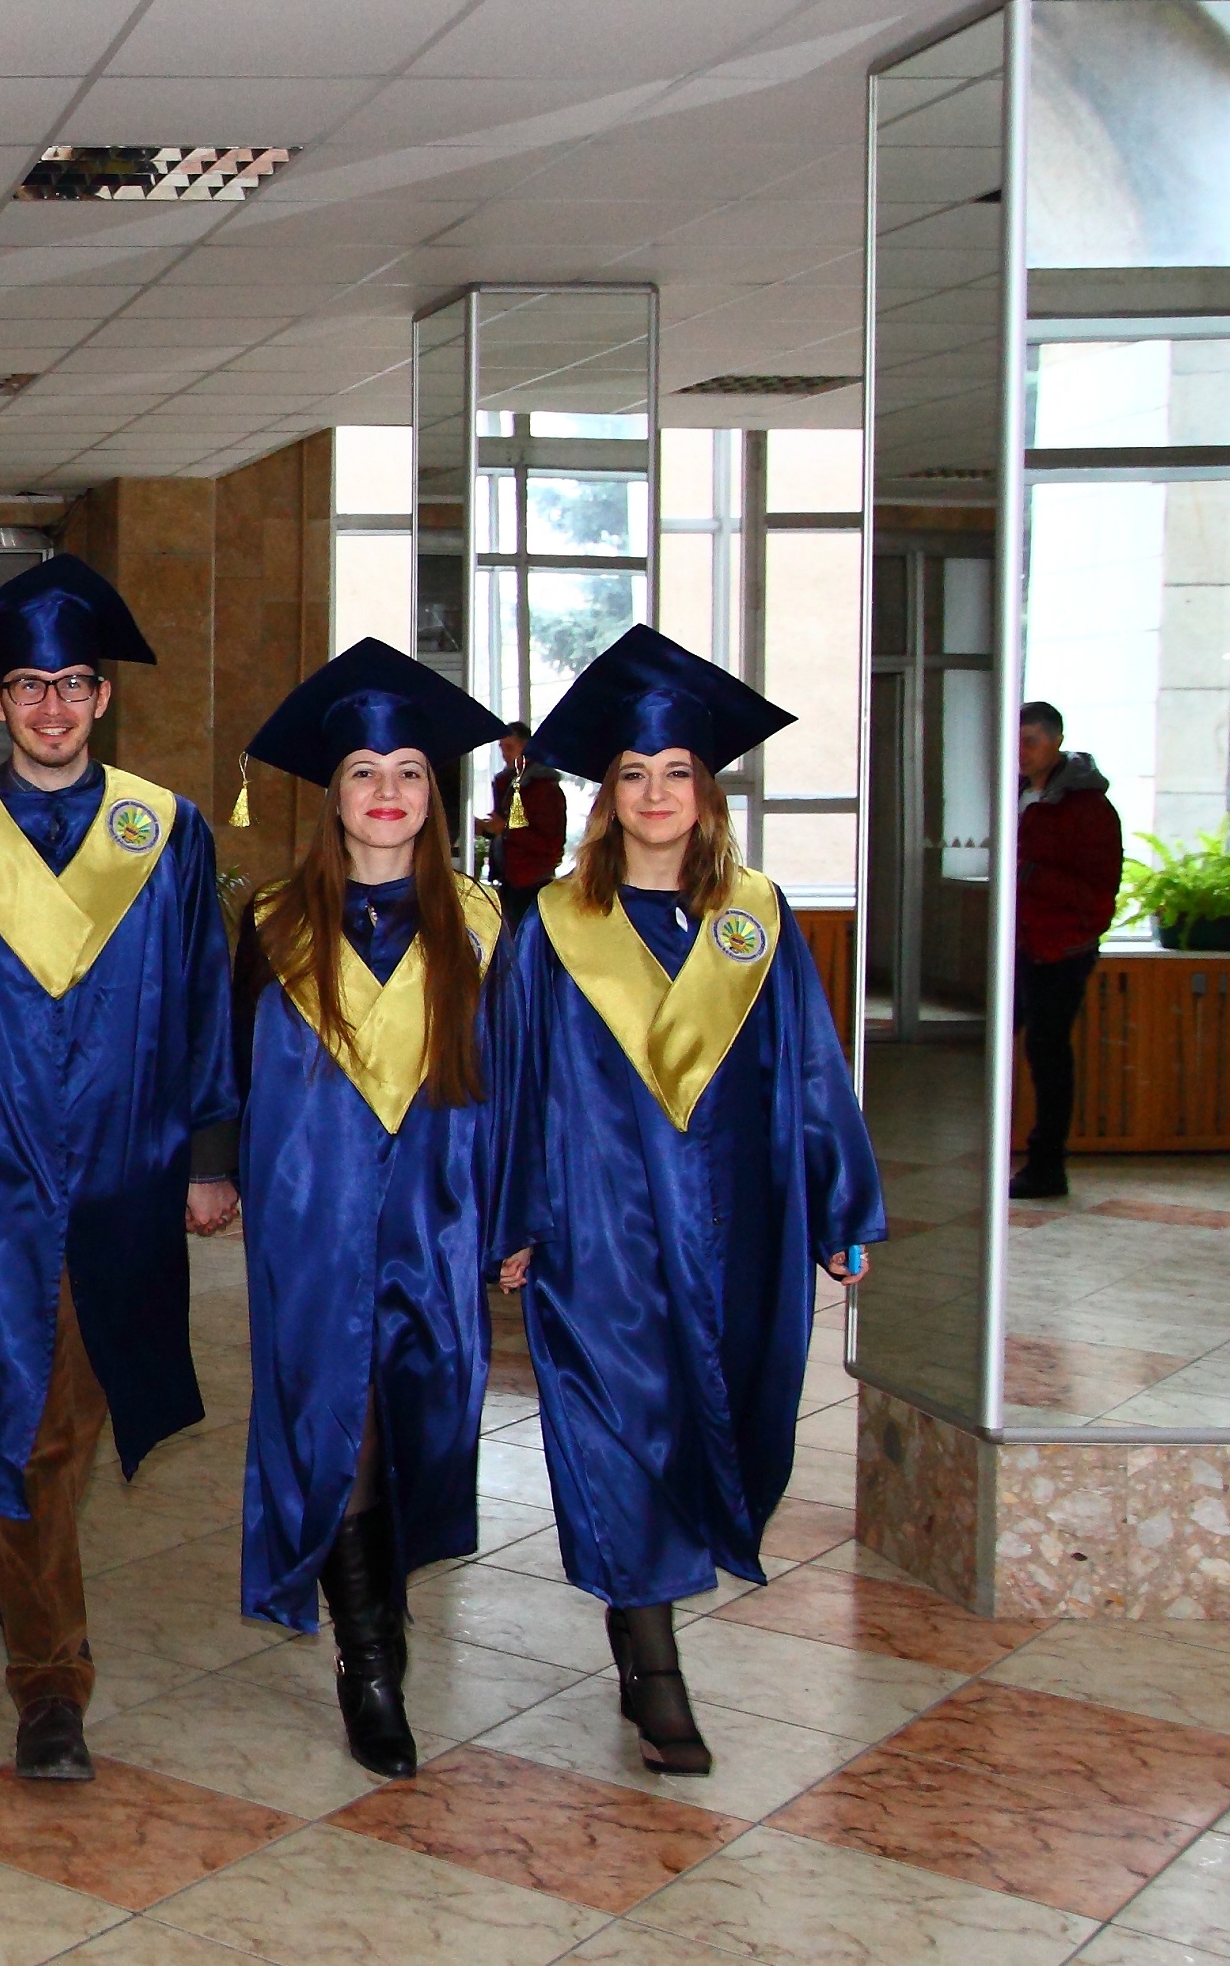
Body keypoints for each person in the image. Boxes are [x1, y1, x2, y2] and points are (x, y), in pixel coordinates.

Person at [0, 553, 236, 1780]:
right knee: (30, 1423)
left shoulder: (165, 834)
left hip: (129, 1165)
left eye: (73, 686)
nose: (53, 708)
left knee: (79, 1410)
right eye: (30, 687)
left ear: (103, 699)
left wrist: (209, 1152)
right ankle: (48, 1682)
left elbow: (206, 1002)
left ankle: (48, 1645)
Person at [487, 624, 885, 1777]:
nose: (656, 793)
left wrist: (840, 1206)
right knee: (618, 1427)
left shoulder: (756, 919)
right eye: (633, 774)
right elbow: (513, 1083)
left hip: (737, 1225)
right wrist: (514, 1218)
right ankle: (653, 1664)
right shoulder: (554, 929)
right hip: (598, 1222)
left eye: (677, 772)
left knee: (730, 1411)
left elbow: (812, 1070)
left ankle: (644, 1626)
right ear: (605, 796)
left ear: (707, 793)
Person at [228, 640, 510, 1778]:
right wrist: (215, 1174)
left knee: (415, 1419)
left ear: (432, 797)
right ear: (332, 795)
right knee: (336, 1423)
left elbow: (521, 1084)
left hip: (441, 1208)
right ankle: (370, 1664)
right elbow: (229, 1072)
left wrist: (516, 1216)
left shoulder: (485, 925)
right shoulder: (272, 923)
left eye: (407, 772)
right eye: (362, 772)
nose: (385, 790)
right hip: (313, 1215)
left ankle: (380, 1620)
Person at [1013, 700, 1123, 1201]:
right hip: (1019, 945)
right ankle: (999, 1156)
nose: (1022, 752)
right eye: (1016, 741)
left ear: (1056, 741)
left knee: (1048, 1054)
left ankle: (1047, 1165)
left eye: (1031, 741)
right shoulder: (1014, 794)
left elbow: (1099, 890)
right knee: (997, 1048)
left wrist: (1034, 875)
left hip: (1061, 949)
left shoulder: (1088, 809)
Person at [475, 731, 566, 898]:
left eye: (509, 748)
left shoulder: (543, 789)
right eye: (501, 748)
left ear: (527, 749)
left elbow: (549, 843)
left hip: (532, 879)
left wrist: (505, 829)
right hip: (510, 877)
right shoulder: (509, 784)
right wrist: (488, 829)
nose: (504, 755)